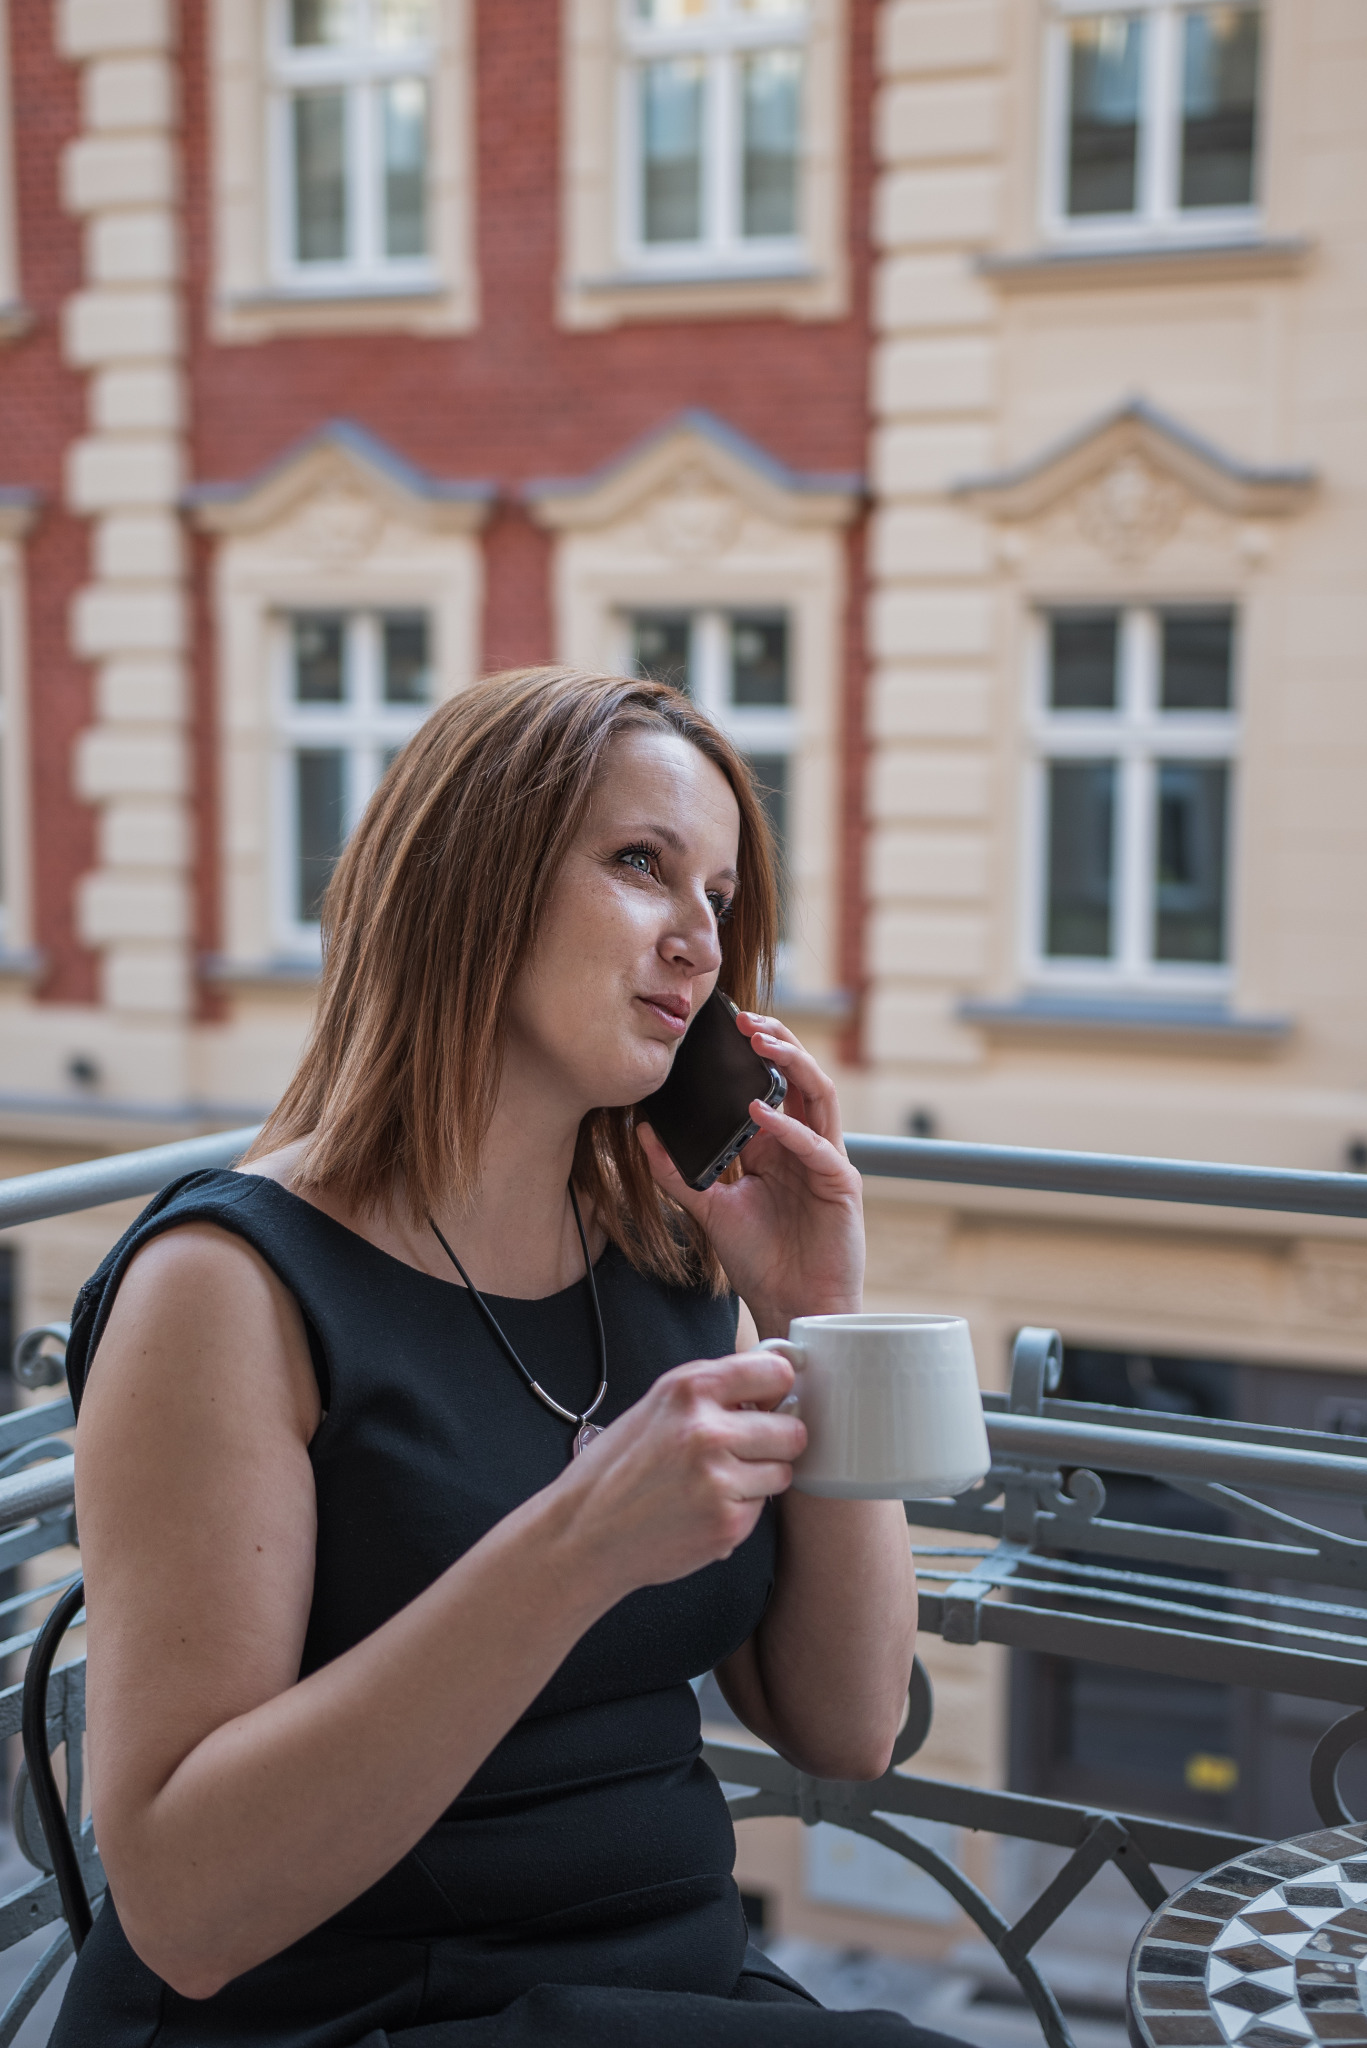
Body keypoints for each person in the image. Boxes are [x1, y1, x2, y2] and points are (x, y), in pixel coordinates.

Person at [53, 669, 959, 2048]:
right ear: (469, 880)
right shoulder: (225, 1287)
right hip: (361, 2017)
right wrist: (582, 1539)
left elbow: (849, 1726)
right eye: (642, 866)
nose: (698, 942)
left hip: (674, 1991)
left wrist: (811, 1315)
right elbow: (182, 1908)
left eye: (717, 897)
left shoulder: (663, 1261)